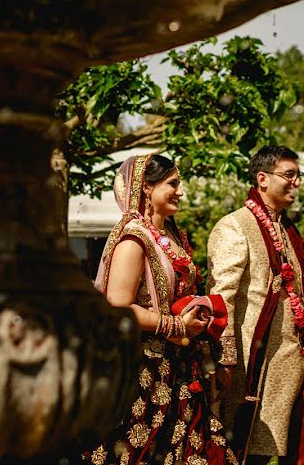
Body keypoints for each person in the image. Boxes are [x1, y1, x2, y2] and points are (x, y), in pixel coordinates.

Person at [85, 154, 235, 465]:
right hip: (142, 373)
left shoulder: (173, 236)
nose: (181, 192)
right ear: (146, 188)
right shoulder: (133, 240)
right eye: (173, 184)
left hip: (180, 366)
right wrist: (177, 326)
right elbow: (117, 306)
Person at [207, 146, 304, 464]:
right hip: (255, 366)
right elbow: (220, 300)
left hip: (296, 360)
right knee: (249, 453)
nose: (296, 182)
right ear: (262, 179)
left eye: (299, 175)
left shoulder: (289, 230)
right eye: (289, 175)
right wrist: (225, 364)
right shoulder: (235, 226)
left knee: (295, 452)